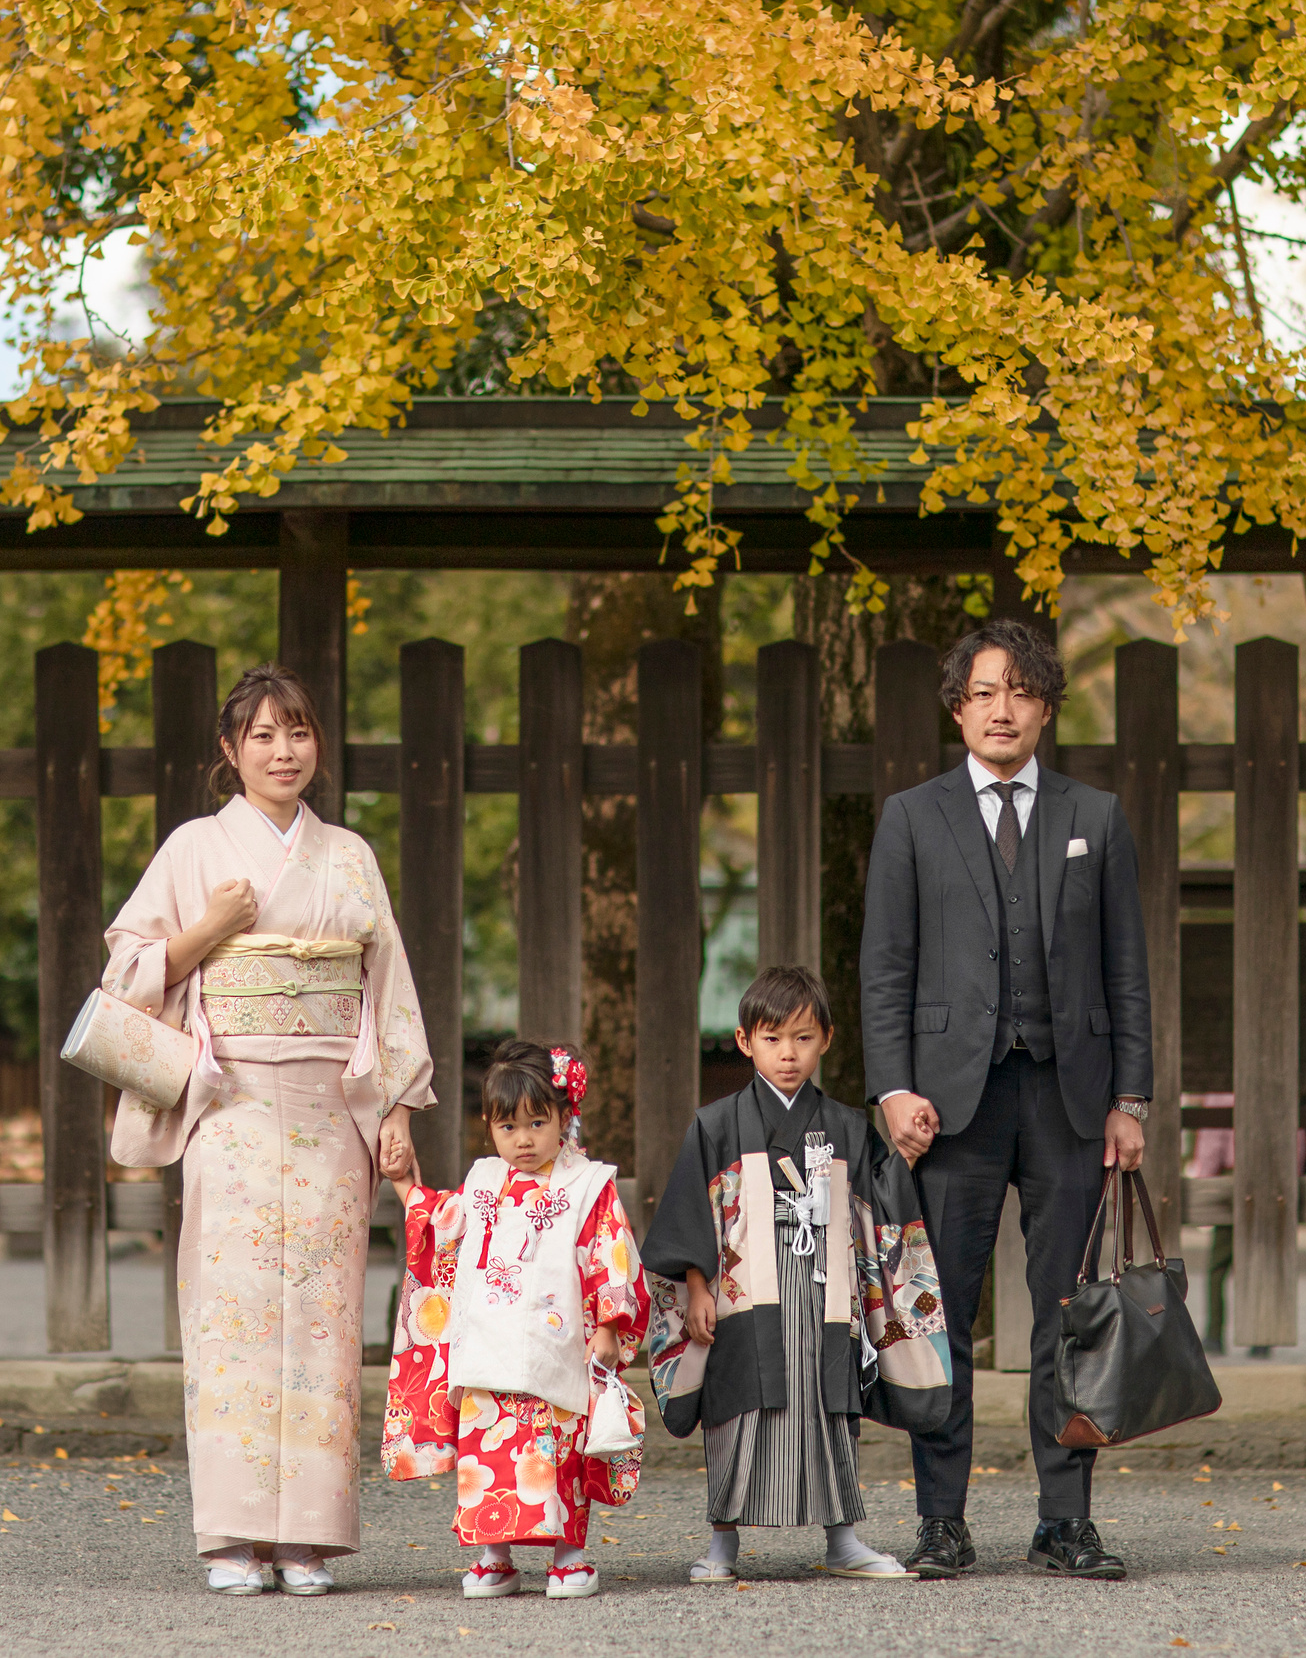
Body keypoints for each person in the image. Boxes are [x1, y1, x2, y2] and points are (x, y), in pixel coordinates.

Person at [101, 663, 436, 1597]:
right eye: (262, 736)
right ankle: (233, 1534)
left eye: (298, 733)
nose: (283, 751)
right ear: (229, 751)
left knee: (325, 1315)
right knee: (233, 1311)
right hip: (232, 1101)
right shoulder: (192, 849)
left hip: (333, 1108)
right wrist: (204, 930)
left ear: (316, 744)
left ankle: (310, 1536)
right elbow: (127, 973)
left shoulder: (350, 855)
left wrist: (399, 1105)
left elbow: (389, 989)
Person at [859, 617, 1153, 1582]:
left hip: (1070, 1100)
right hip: (951, 1106)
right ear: (958, 707)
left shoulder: (1095, 816)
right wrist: (894, 1087)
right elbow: (887, 967)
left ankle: (1064, 1520)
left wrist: (1132, 1099)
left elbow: (1126, 971)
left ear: (1045, 707)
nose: (1002, 707)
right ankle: (942, 1520)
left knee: (1067, 1315)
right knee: (944, 1313)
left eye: (1020, 690)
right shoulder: (913, 816)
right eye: (984, 691)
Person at [638, 964, 951, 1584]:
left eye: (802, 1039)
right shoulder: (716, 1124)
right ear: (743, 1040)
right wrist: (697, 1287)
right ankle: (721, 1545)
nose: (788, 1054)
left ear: (826, 1040)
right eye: (773, 1038)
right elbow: (685, 1217)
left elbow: (879, 1210)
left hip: (824, 1295)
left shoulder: (846, 1126)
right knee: (737, 1411)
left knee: (831, 1409)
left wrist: (907, 1154)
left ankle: (844, 1540)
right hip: (742, 1298)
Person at [377, 1040, 647, 1600]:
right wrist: (405, 1183)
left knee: (560, 1449)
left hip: (559, 1343)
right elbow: (442, 1231)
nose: (523, 1140)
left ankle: (568, 1556)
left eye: (537, 1123)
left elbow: (611, 1253)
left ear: (565, 1117)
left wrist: (608, 1324)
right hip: (489, 1346)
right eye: (508, 1127)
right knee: (491, 1453)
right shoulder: (481, 1182)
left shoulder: (588, 1184)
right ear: (489, 1127)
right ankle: (494, 1554)